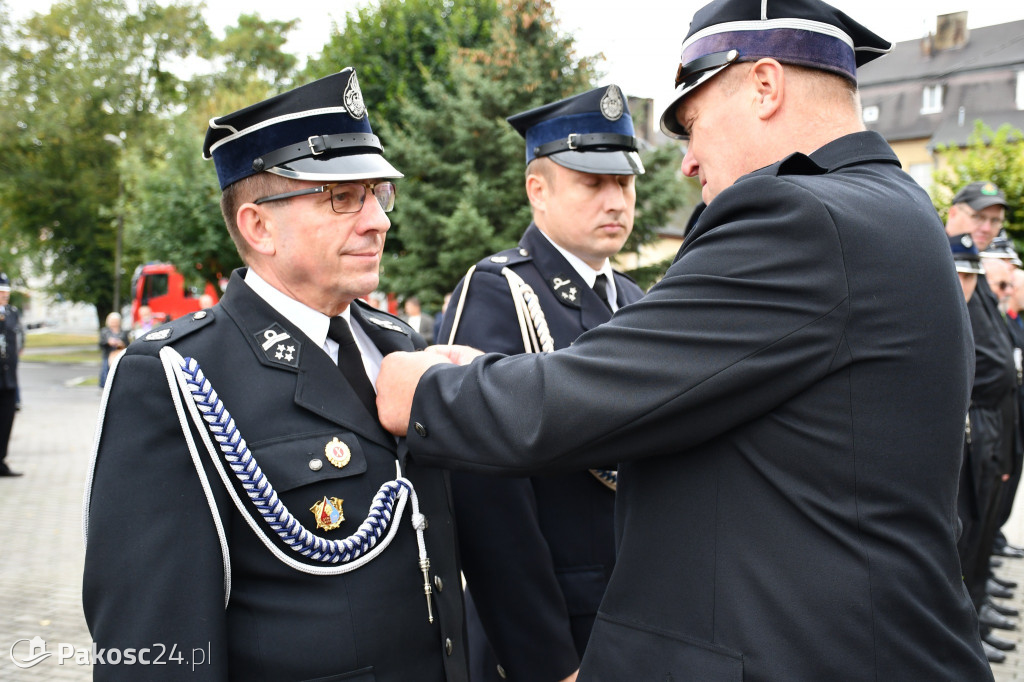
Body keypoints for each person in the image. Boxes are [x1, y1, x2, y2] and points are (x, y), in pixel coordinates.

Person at [374, 0, 993, 678]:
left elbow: (598, 391)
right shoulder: (896, 208)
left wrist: (428, 391)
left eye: (691, 124)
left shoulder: (801, 215)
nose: (687, 164)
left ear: (765, 86)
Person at [82, 69, 468, 681]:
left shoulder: (397, 344)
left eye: (377, 194)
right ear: (258, 226)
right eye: (344, 197)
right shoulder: (176, 376)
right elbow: (154, 637)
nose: (378, 221)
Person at [438, 85, 645, 682]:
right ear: (538, 190)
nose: (615, 200)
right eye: (592, 182)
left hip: (632, 614)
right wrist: (546, 659)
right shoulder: (499, 292)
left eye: (624, 183)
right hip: (553, 628)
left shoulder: (633, 300)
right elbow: (485, 494)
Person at [944, 181, 1019, 657]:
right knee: (967, 532)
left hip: (994, 416)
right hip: (973, 422)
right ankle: (963, 631)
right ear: (955, 213)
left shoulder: (973, 260)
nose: (987, 228)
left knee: (987, 522)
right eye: (980, 218)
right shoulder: (950, 257)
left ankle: (976, 612)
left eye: (994, 221)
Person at [0, 274, 23, 478]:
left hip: (8, 377)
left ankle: (1, 460)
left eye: (6, 293)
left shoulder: (12, 313)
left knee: (6, 420)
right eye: (1, 293)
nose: (4, 297)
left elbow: (17, 336)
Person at [98, 312, 129, 389]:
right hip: (108, 354)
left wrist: (121, 343)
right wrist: (108, 342)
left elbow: (128, 344)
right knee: (106, 371)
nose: (114, 323)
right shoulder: (104, 331)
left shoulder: (123, 332)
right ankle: (105, 386)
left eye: (116, 321)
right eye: (112, 321)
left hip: (119, 354)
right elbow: (101, 344)